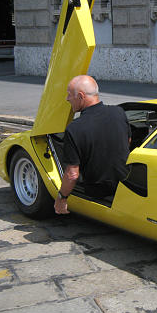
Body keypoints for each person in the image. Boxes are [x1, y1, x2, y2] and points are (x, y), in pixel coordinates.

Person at [54, 75, 131, 214]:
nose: (67, 99)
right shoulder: (119, 112)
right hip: (126, 184)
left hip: (98, 191)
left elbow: (72, 175)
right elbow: (127, 142)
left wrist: (61, 198)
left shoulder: (74, 129)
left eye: (69, 94)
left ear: (80, 96)